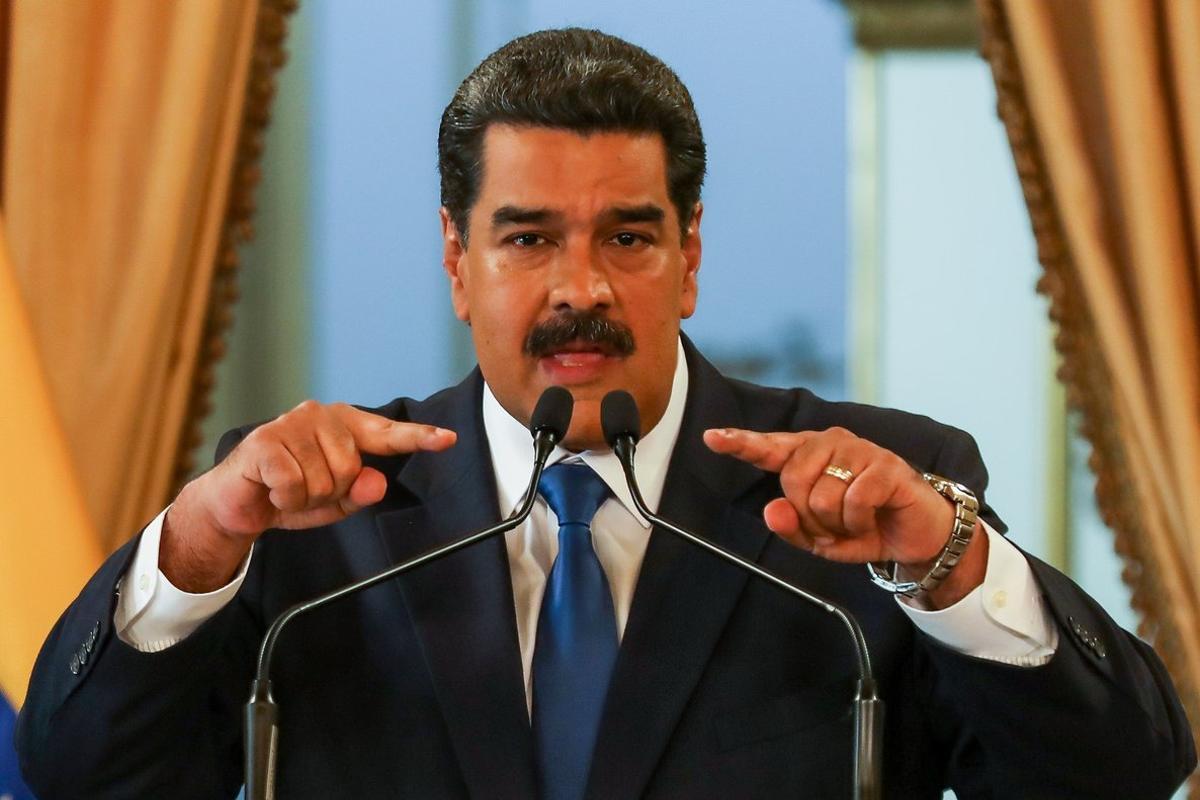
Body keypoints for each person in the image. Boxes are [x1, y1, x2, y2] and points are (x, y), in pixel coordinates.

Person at [17, 28, 1195, 800]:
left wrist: (947, 562)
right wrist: (196, 546)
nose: (579, 287)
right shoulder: (319, 515)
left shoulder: (869, 500)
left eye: (627, 236)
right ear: (455, 258)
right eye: (527, 238)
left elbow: (1127, 771)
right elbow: (77, 774)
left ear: (688, 259)